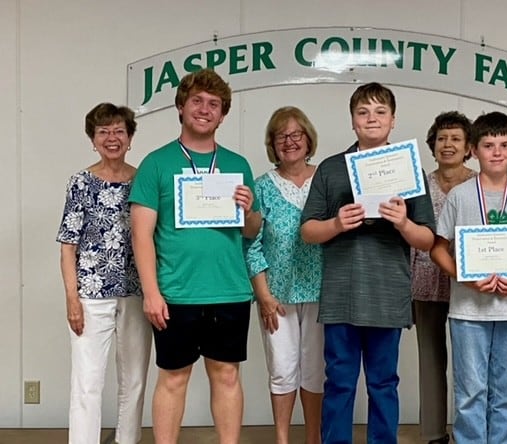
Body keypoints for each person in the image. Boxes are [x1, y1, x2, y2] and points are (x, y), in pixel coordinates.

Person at [129, 68, 261, 444]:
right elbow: (141, 236)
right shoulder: (156, 163)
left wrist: (249, 210)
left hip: (230, 290)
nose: (205, 109)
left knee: (227, 376)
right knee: (173, 378)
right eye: (197, 101)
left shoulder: (238, 165)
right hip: (176, 293)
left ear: (223, 114)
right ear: (181, 108)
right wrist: (152, 292)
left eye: (214, 104)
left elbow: (251, 231)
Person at [300, 82, 436, 444]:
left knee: (383, 384)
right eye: (363, 112)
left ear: (393, 121)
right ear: (352, 121)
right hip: (341, 295)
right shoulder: (330, 169)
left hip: (388, 295)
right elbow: (308, 231)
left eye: (380, 112)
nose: (371, 119)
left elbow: (427, 239)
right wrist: (336, 223)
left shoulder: (410, 170)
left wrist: (404, 222)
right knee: (340, 383)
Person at [430, 111, 507, 444]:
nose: (496, 152)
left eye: (504, 145)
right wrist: (464, 277)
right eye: (488, 145)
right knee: (470, 393)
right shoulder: (460, 196)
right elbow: (438, 249)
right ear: (474, 149)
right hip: (468, 310)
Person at [56, 103, 152, 444]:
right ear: (93, 139)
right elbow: (68, 244)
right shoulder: (81, 183)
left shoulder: (144, 180)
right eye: (103, 132)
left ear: (130, 138)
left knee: (135, 379)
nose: (112, 138)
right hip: (91, 294)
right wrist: (72, 299)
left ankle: (128, 440)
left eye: (119, 131)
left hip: (137, 292)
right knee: (87, 381)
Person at [245, 106, 323, 444]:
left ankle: (313, 438)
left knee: (315, 372)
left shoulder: (327, 180)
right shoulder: (261, 186)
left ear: (308, 139)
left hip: (323, 293)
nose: (290, 142)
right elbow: (251, 244)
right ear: (272, 145)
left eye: (296, 135)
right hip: (276, 295)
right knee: (282, 371)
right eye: (282, 137)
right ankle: (281, 438)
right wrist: (263, 294)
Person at [410, 111, 477, 444]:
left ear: (469, 148)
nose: (447, 145)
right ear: (432, 145)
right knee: (431, 360)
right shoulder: (418, 184)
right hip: (424, 280)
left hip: (472, 285)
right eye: (441, 138)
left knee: (472, 364)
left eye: (455, 139)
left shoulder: (481, 183)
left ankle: (472, 432)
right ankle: (435, 434)